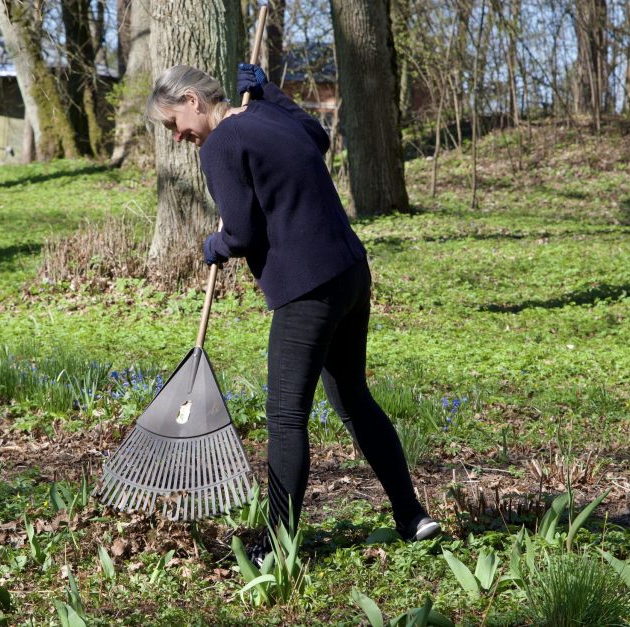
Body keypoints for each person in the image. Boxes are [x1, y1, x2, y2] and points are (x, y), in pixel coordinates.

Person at [146, 63, 440, 557]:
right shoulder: (266, 116)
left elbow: (242, 234)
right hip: (349, 272)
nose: (176, 136)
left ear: (194, 100)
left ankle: (276, 544)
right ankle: (412, 516)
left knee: (286, 417)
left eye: (173, 123)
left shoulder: (221, 144)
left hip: (307, 288)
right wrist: (270, 93)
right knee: (353, 399)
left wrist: (215, 245)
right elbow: (317, 137)